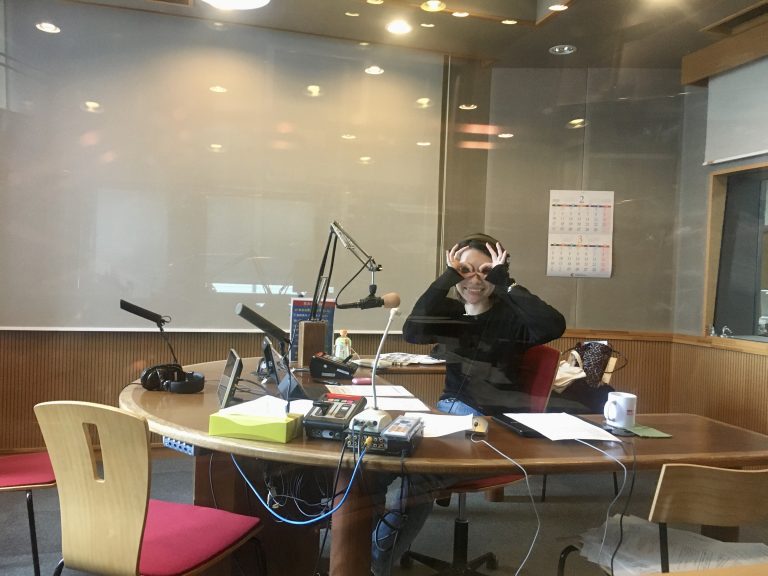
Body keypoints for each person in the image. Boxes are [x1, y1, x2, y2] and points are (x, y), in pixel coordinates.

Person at [370, 232, 565, 576]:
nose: (474, 279)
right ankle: (358, 545)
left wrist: (504, 281)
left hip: (491, 429)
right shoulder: (450, 313)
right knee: (375, 459)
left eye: (485, 271)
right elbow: (413, 332)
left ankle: (372, 565)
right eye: (465, 270)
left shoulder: (513, 318)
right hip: (446, 415)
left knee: (419, 473)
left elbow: (554, 324)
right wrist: (447, 277)